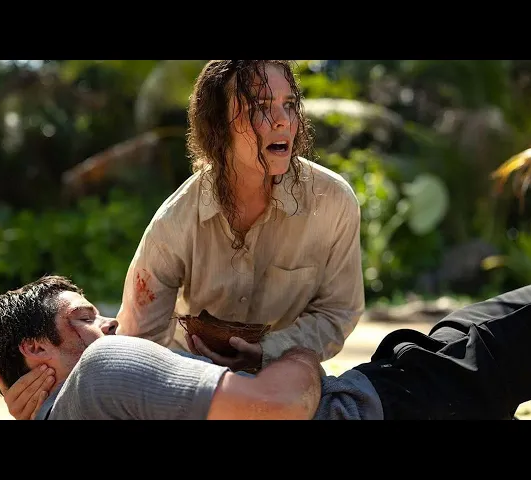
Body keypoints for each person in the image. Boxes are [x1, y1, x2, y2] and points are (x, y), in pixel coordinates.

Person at [0, 275, 531, 420]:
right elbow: (280, 406)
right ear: (36, 349)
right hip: (384, 405)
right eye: (83, 317)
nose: (110, 323)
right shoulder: (105, 368)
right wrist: (297, 356)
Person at [113, 60, 365, 373]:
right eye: (260, 106)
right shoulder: (176, 221)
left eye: (289, 105)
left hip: (282, 376)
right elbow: (138, 341)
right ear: (218, 124)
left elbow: (337, 311)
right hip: (190, 376)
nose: (283, 121)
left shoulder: (333, 202)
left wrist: (268, 352)